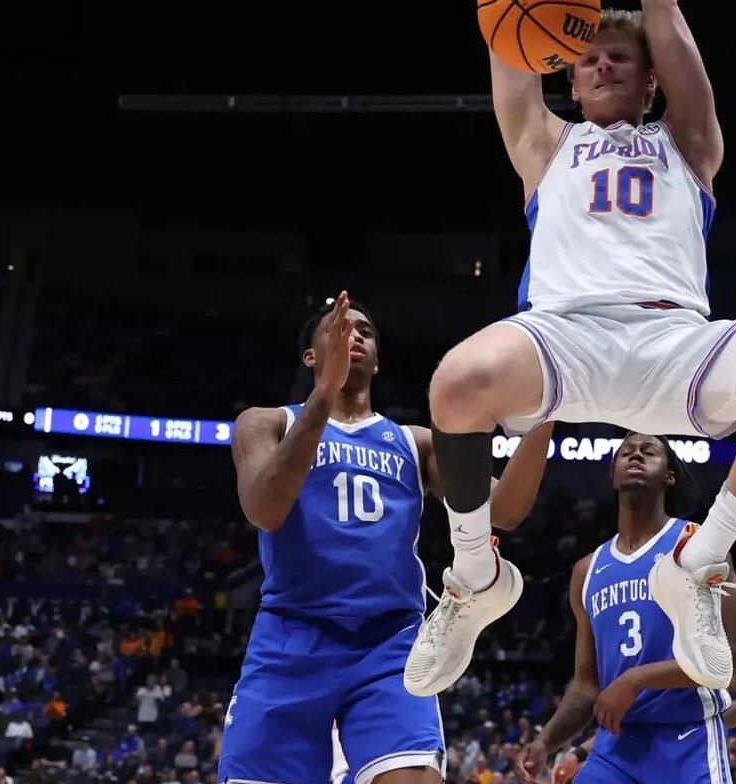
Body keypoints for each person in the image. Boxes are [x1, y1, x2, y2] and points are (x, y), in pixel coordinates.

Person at [407, 0, 736, 698]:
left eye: (621, 58)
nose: (603, 65)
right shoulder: (546, 145)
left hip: (677, 345)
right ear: (567, 72)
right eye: (589, 57)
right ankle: (473, 579)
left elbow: (664, 6)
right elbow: (505, 23)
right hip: (565, 338)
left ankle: (703, 560)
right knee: (456, 382)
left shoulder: (691, 145)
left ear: (650, 82)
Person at [222, 293, 553, 784]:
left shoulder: (413, 441)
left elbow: (504, 511)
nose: (353, 335)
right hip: (292, 639)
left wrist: (549, 412)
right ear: (311, 356)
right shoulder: (267, 422)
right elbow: (264, 510)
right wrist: (325, 393)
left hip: (389, 644)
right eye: (338, 329)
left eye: (365, 331)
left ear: (377, 361)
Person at [514, 432, 736, 784]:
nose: (636, 456)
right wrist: (546, 741)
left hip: (686, 737)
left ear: (669, 476)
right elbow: (586, 685)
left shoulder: (697, 543)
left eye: (649, 452)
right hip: (615, 748)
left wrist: (637, 679)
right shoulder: (587, 570)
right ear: (612, 474)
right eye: (626, 452)